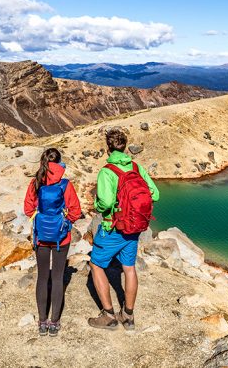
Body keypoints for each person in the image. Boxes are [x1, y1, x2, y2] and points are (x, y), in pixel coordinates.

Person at [88, 128, 159, 330]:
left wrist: (99, 206)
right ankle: (128, 316)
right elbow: (155, 194)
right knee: (129, 268)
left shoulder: (107, 171)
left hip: (113, 227)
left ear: (108, 148)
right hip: (135, 228)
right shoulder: (136, 168)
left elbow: (106, 202)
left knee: (96, 265)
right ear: (125, 146)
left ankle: (109, 316)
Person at [23, 148, 81, 336]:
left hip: (41, 237)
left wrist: (40, 219)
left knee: (42, 277)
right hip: (61, 238)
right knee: (57, 278)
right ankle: (54, 322)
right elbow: (75, 211)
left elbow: (28, 209)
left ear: (42, 162)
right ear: (60, 163)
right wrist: (65, 223)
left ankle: (42, 322)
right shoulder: (65, 185)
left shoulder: (36, 182)